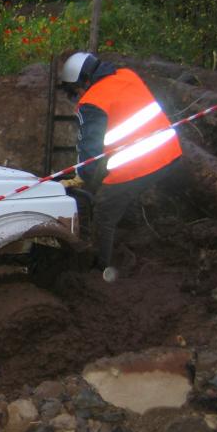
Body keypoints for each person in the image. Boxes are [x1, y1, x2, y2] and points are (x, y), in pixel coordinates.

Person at [60, 52, 183, 281]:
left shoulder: (93, 100)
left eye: (74, 91)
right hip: (168, 151)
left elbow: (90, 150)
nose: (76, 97)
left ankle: (99, 271)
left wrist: (82, 176)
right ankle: (131, 236)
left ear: (84, 82)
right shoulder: (127, 76)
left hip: (141, 161)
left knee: (104, 209)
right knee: (122, 193)